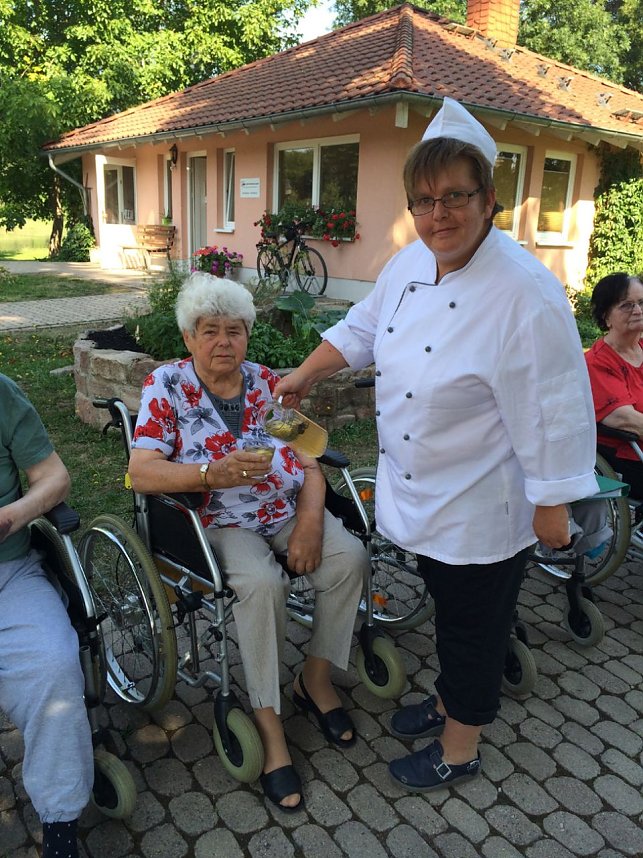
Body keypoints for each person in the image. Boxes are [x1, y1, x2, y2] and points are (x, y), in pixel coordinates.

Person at [274, 96, 598, 793]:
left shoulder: (525, 293)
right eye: (423, 200)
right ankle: (451, 701)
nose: (437, 215)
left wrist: (549, 503)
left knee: (472, 629)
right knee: (450, 609)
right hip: (423, 488)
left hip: (485, 501)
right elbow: (362, 326)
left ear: (488, 199)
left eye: (455, 196)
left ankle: (459, 748)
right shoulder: (410, 263)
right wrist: (304, 371)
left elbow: (554, 408)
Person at [128, 273, 367, 812]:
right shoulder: (166, 386)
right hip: (215, 519)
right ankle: (269, 718)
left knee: (348, 554)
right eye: (209, 330)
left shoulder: (264, 383)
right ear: (189, 338)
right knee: (261, 584)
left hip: (283, 509)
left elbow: (308, 457)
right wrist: (210, 474)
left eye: (233, 330)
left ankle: (315, 678)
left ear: (247, 336)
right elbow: (142, 472)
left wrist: (310, 519)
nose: (222, 342)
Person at [0, 372, 93, 857]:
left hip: (8, 571)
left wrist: (11, 517)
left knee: (55, 663)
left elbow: (54, 478)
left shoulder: (1, 394)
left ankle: (59, 820)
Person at [585, 272, 643, 497]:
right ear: (605, 316)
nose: (637, 310)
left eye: (641, 303)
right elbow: (625, 419)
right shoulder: (598, 362)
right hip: (629, 457)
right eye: (627, 305)